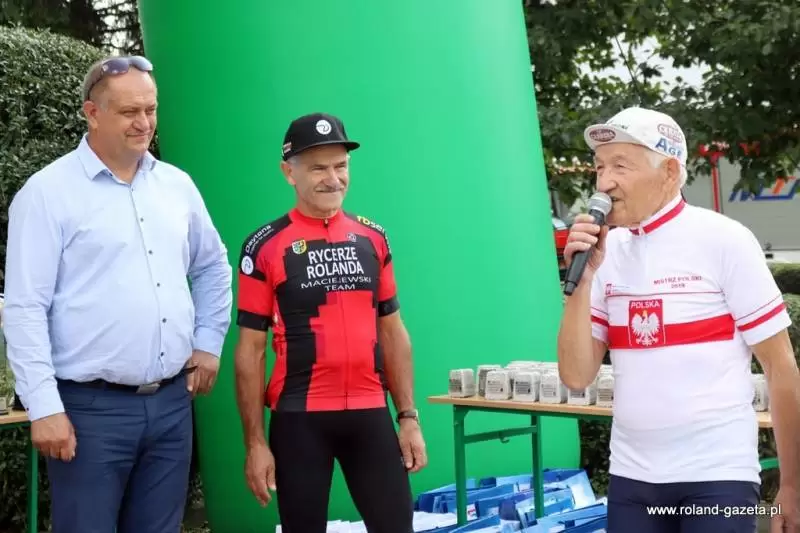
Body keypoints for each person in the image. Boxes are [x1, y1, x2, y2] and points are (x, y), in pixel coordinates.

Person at [2, 55, 233, 533]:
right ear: (92, 113)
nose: (144, 123)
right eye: (129, 112)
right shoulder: (46, 194)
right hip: (89, 411)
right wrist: (44, 407)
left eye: (151, 109)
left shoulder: (177, 186)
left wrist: (209, 342)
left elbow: (212, 266)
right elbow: (25, 308)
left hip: (172, 405)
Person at [557, 106, 800, 533]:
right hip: (632, 479)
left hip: (718, 477)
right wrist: (584, 279)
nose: (604, 182)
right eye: (599, 167)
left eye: (620, 166)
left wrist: (793, 487)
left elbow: (781, 369)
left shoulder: (725, 240)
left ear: (669, 172)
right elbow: (576, 376)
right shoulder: (606, 253)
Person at [233, 112, 427, 532]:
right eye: (318, 168)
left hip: (370, 412)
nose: (333, 178)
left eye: (341, 166)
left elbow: (393, 331)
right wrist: (255, 443)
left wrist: (408, 417)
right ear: (289, 173)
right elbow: (250, 350)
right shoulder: (264, 246)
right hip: (299, 418)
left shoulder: (373, 238)